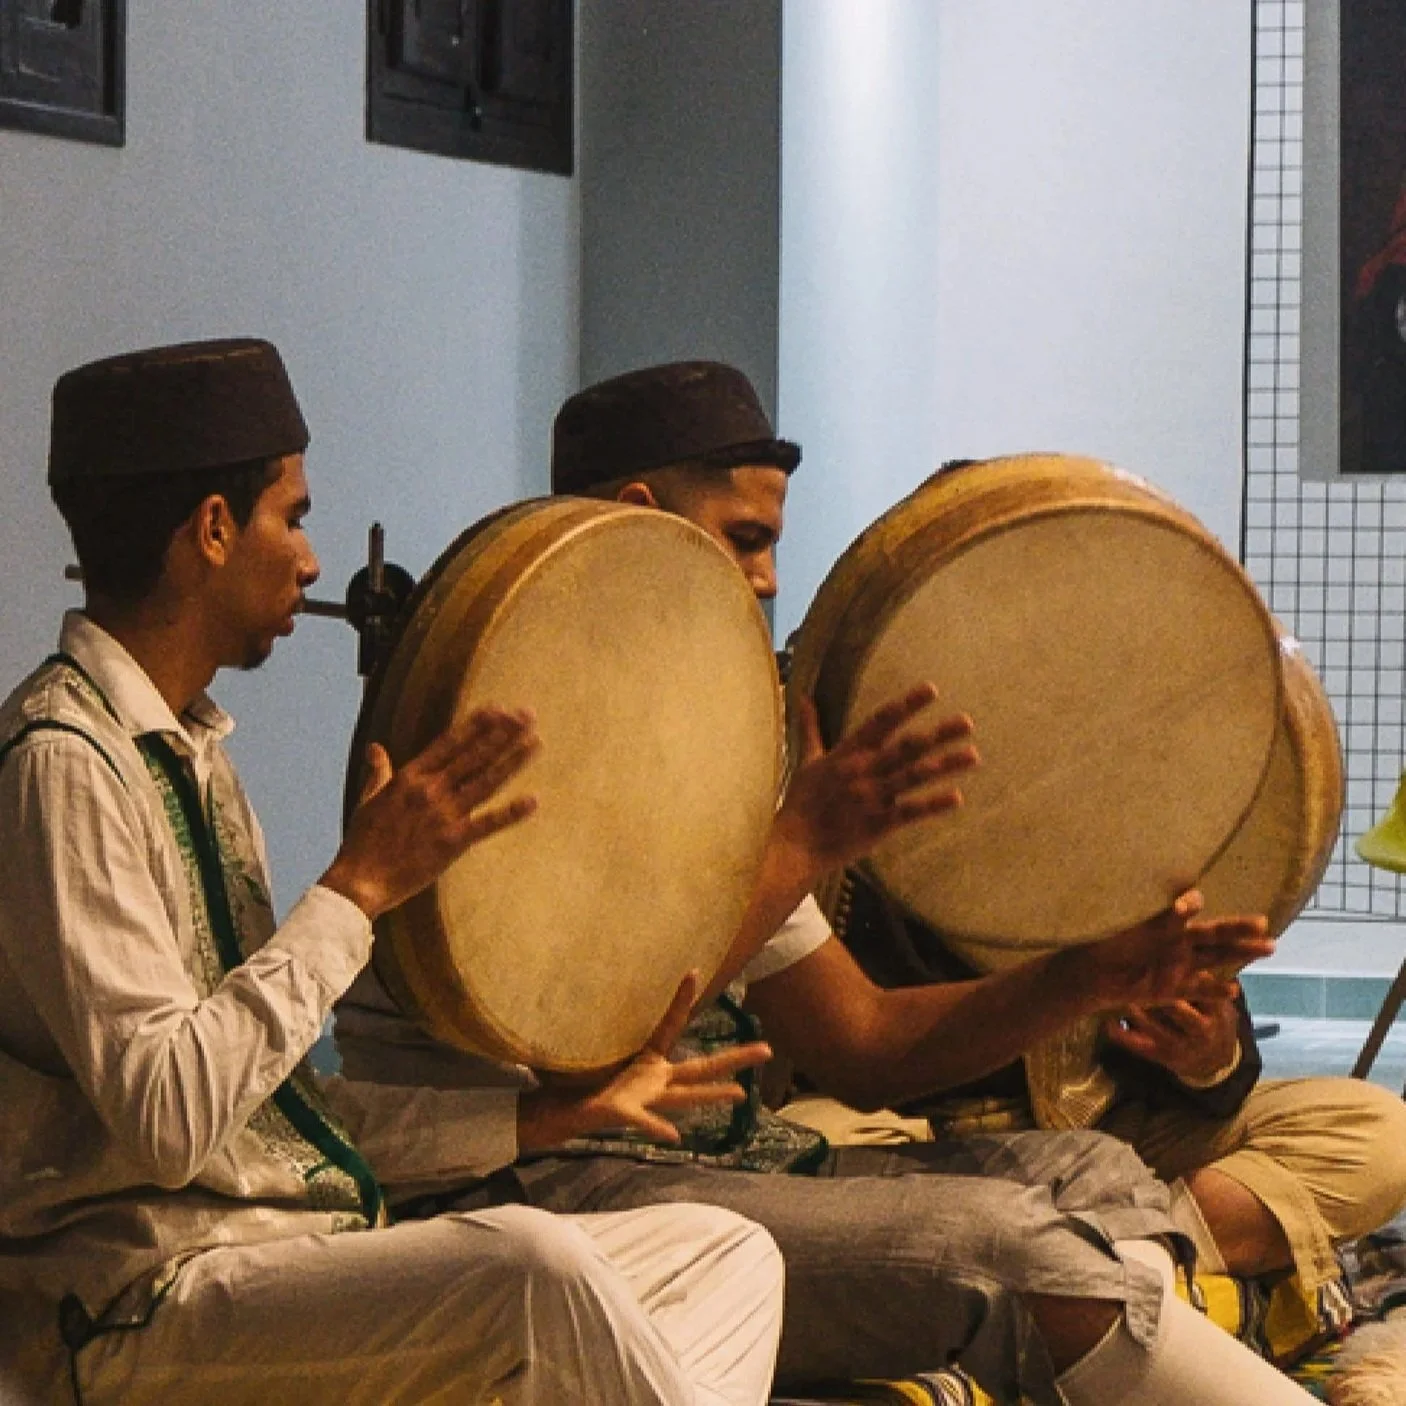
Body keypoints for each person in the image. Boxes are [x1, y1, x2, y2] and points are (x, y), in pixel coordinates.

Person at [336, 361, 1322, 1404]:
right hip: (553, 1180)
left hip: (733, 1163)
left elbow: (863, 1044)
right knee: (1004, 1248)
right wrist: (800, 841)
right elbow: (592, 1047)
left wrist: (1087, 975)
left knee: (1092, 1174)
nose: (765, 578)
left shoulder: (702, 744)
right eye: (746, 537)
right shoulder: (505, 734)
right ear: (638, 513)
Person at [0, 339, 798, 1406]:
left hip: (279, 1247)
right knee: (531, 1266)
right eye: (294, 516)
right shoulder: (64, 762)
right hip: (142, 1298)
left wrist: (538, 1121)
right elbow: (171, 1116)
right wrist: (357, 892)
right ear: (213, 529)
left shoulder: (189, 753)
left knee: (723, 1251)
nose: (314, 560)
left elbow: (275, 1112)